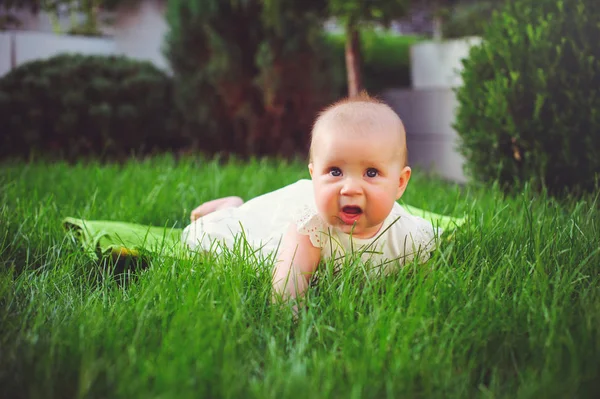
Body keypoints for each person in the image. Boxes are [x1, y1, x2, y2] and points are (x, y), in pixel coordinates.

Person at [182, 93, 439, 303]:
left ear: (400, 183)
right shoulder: (310, 227)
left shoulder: (408, 235)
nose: (350, 188)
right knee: (220, 234)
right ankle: (229, 208)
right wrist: (292, 324)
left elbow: (428, 290)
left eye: (371, 172)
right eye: (335, 171)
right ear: (315, 176)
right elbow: (287, 286)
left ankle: (236, 205)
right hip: (280, 219)